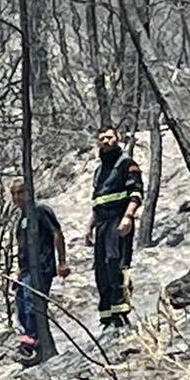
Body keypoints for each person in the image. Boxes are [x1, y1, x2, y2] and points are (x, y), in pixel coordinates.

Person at [86, 124, 144, 330]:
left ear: (117, 139)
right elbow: (98, 201)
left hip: (118, 221)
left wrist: (128, 217)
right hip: (101, 224)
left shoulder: (126, 163)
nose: (106, 141)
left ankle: (121, 314)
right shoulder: (99, 171)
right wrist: (90, 228)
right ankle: (107, 315)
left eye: (109, 137)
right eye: (102, 138)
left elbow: (136, 193)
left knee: (115, 264)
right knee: (101, 269)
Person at [9, 177, 68, 364]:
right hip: (25, 270)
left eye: (21, 192)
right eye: (14, 193)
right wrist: (18, 271)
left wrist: (62, 262)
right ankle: (29, 339)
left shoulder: (41, 211)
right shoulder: (21, 220)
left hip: (42, 267)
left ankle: (33, 342)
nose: (17, 197)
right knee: (20, 304)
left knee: (31, 302)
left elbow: (57, 233)